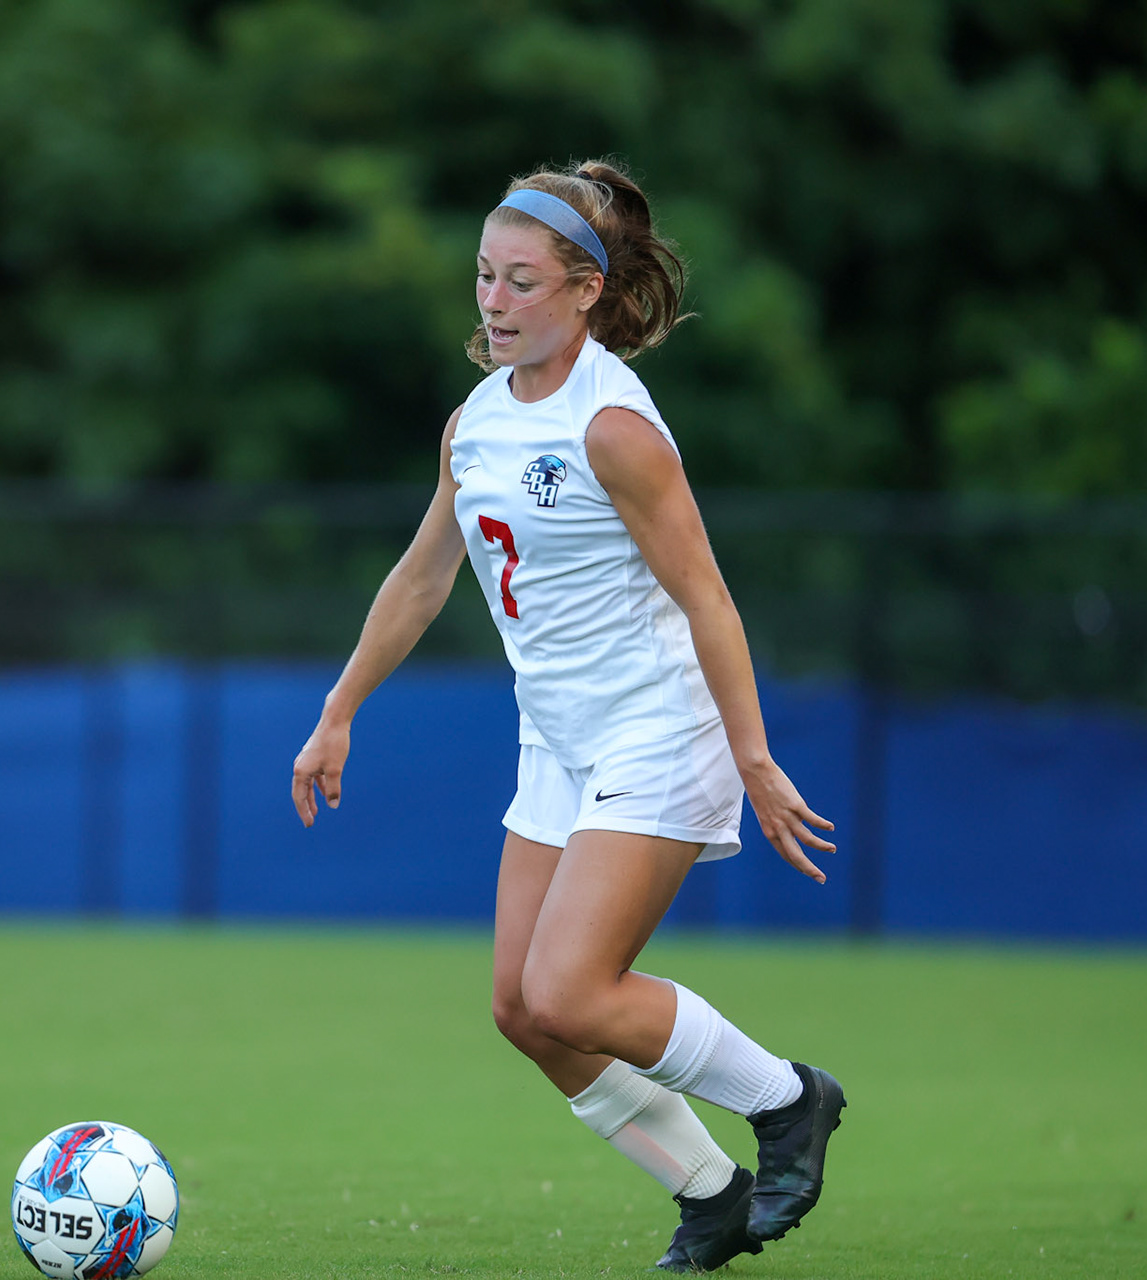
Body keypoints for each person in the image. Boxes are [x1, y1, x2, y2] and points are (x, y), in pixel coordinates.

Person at [290, 160, 845, 1273]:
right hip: (557, 739)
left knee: (571, 991)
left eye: (522, 281)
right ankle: (711, 1194)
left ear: (588, 291)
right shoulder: (476, 422)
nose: (494, 302)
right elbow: (423, 575)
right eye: (483, 276)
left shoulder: (614, 427)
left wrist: (753, 756)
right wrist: (339, 707)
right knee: (522, 1008)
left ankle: (788, 1099)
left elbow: (708, 597)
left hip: (659, 728)